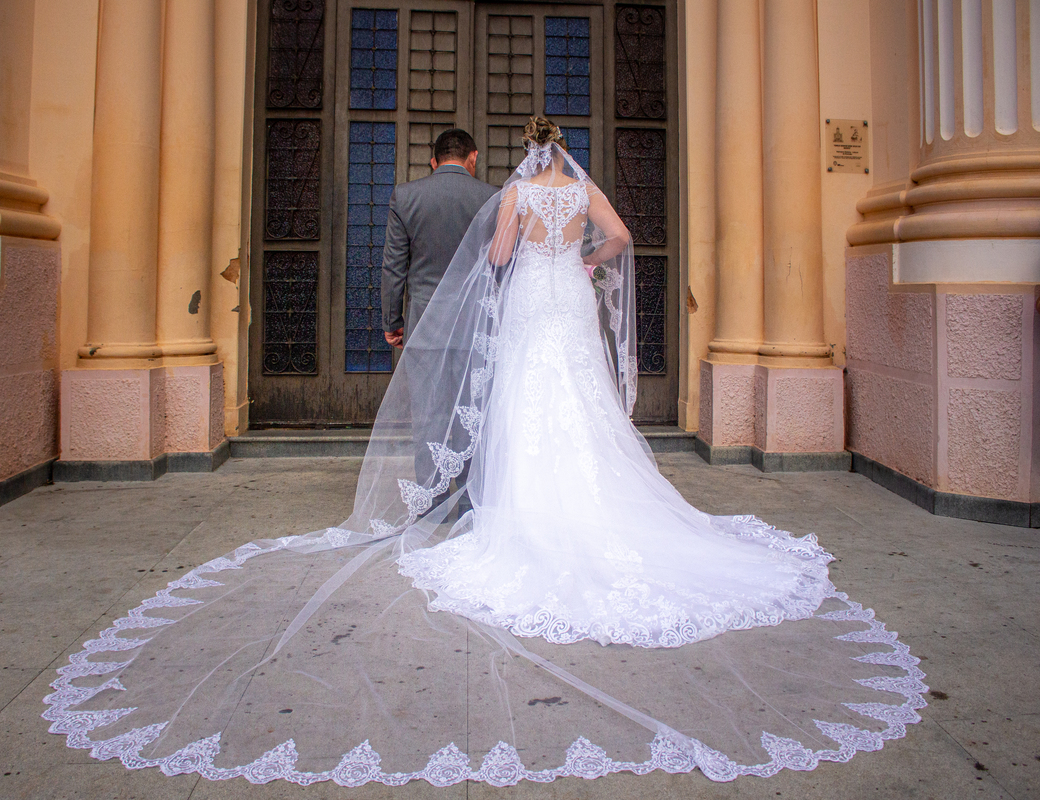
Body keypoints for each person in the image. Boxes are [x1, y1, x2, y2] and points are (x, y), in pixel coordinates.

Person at [46, 118, 927, 789]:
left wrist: (521, 267)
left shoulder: (513, 197)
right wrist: (579, 260)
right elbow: (623, 240)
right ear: (568, 158)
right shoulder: (582, 200)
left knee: (525, 407)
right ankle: (600, 505)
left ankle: (501, 505)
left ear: (526, 157)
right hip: (571, 308)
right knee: (582, 410)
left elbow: (496, 260)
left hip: (529, 310)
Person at [381, 129, 498, 348]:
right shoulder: (493, 197)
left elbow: (393, 267)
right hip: (474, 322)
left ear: (434, 162)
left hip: (424, 322)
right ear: (474, 157)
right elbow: (501, 262)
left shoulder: (405, 196)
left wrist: (392, 321)